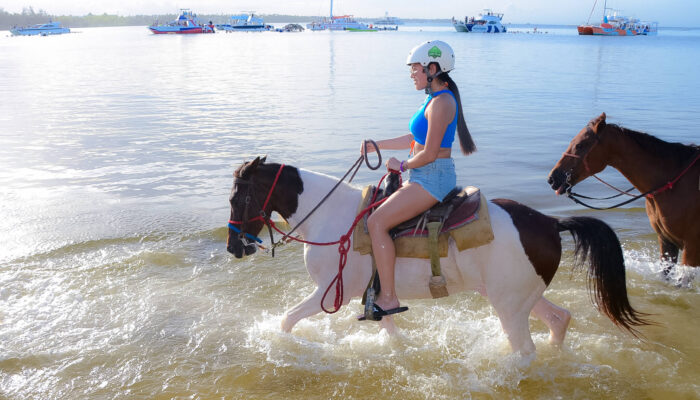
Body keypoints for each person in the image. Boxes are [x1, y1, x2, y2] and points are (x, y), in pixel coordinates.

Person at [360, 40, 476, 320]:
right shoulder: (434, 99)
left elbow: (431, 153)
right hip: (426, 174)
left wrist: (401, 164)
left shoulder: (442, 102)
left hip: (432, 179)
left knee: (376, 223)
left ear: (432, 68)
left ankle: (388, 298)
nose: (412, 74)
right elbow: (415, 138)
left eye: (415, 69)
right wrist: (378, 145)